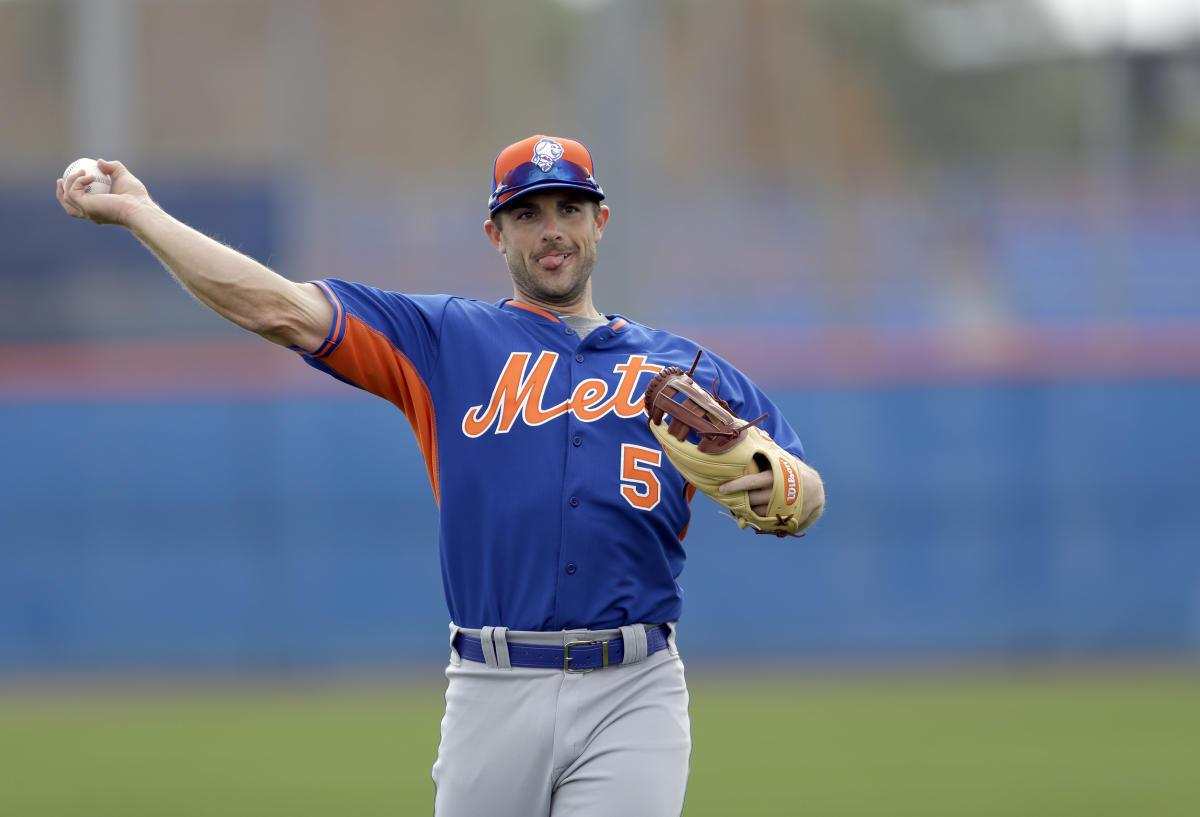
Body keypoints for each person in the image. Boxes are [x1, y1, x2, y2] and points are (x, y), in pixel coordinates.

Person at [57, 134, 825, 816]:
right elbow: (280, 308)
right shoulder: (444, 338)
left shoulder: (679, 367)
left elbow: (801, 483)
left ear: (601, 221)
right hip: (494, 686)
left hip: (635, 687)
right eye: (527, 213)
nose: (551, 229)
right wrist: (143, 216)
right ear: (496, 233)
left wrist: (792, 493)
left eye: (569, 207)